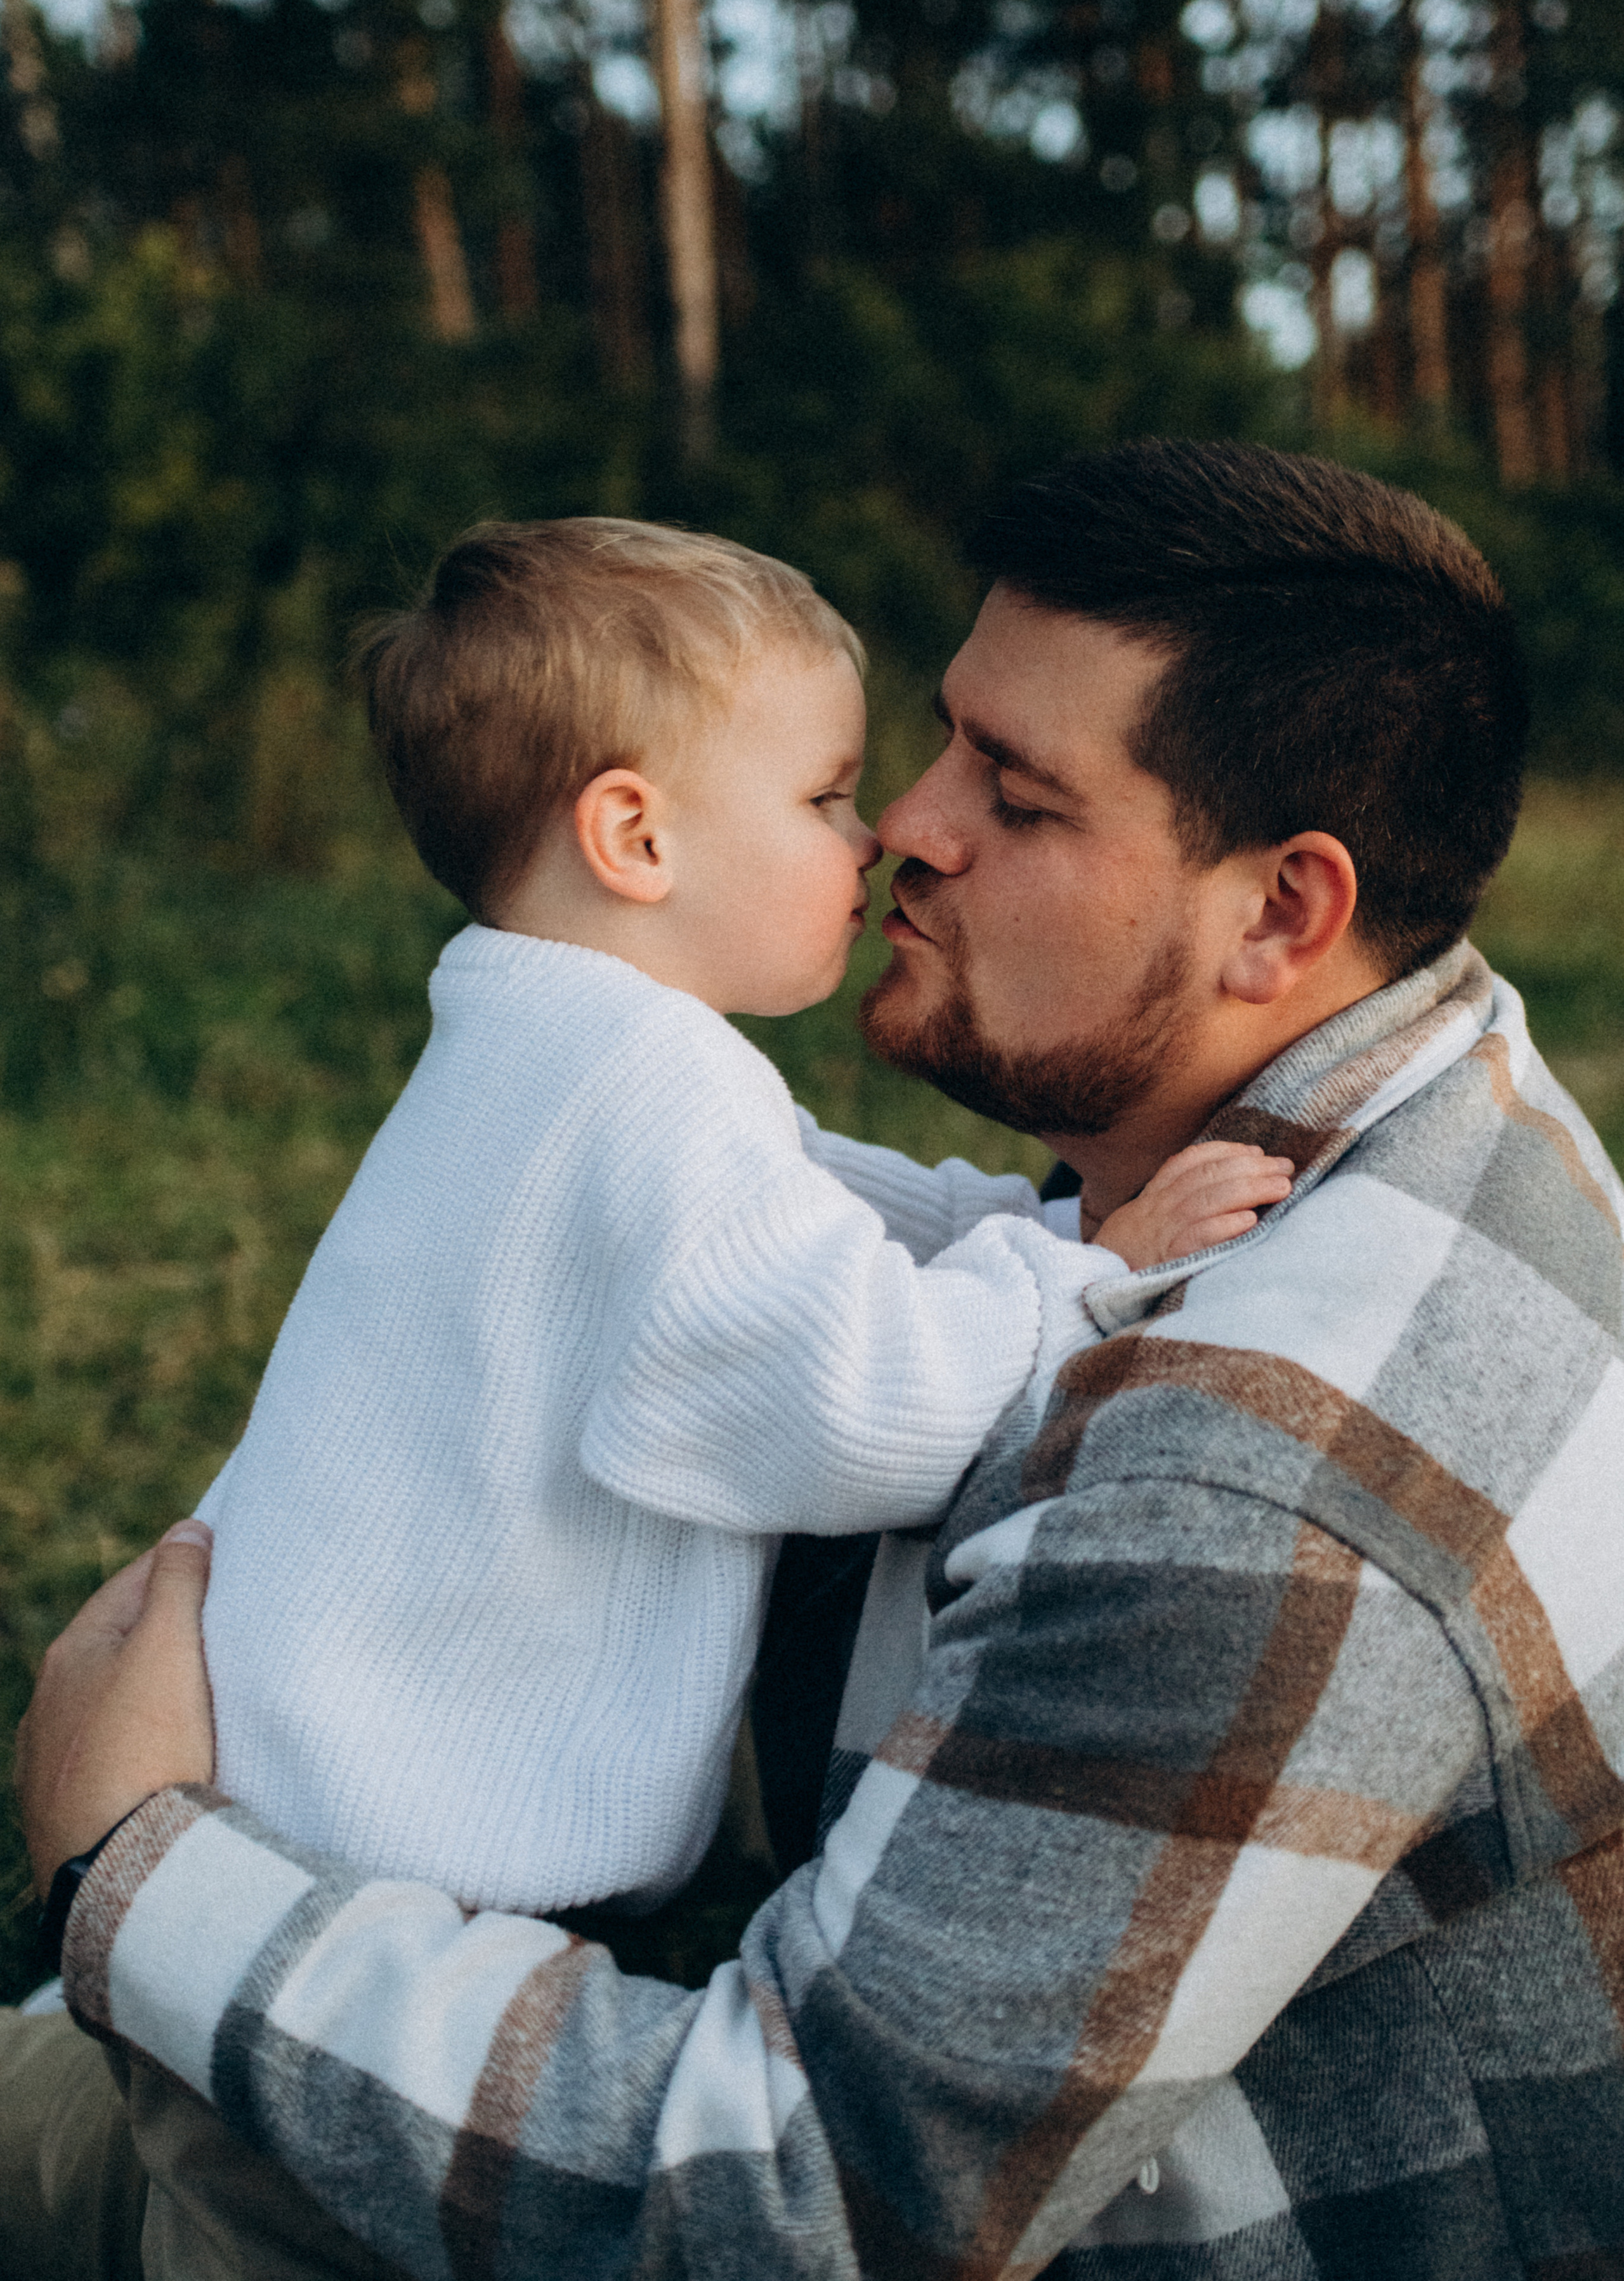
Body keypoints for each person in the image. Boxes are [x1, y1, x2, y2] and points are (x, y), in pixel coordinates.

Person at [13, 439, 1624, 2281]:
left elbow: (801, 2195)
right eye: (935, 746)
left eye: (1016, 797)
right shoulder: (1430, 1081)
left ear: (1282, 912)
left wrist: (136, 1864)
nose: (908, 828)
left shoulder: (1259, 1488)